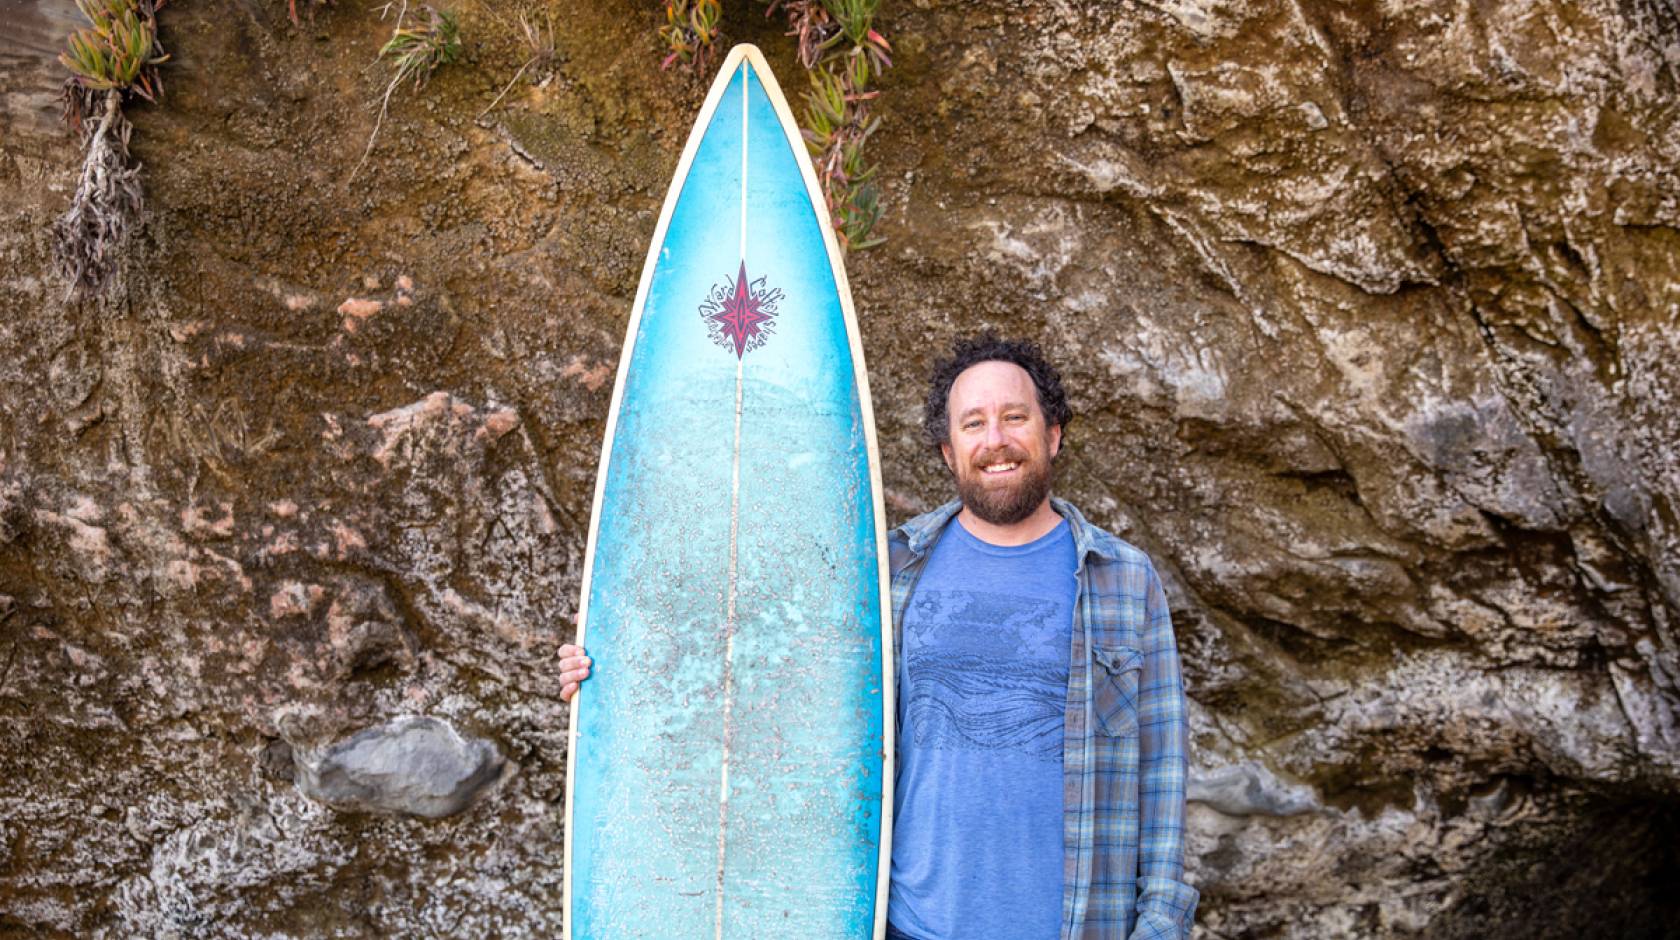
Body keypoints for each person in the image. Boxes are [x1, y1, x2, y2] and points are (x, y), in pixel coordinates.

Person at [557, 335, 1197, 940]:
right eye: (973, 423)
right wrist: (620, 669)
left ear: (1052, 435)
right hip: (910, 925)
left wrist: (1161, 922)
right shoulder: (885, 570)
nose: (995, 440)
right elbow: (764, 691)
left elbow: (1162, 766)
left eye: (1015, 418)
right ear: (949, 451)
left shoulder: (1122, 577)